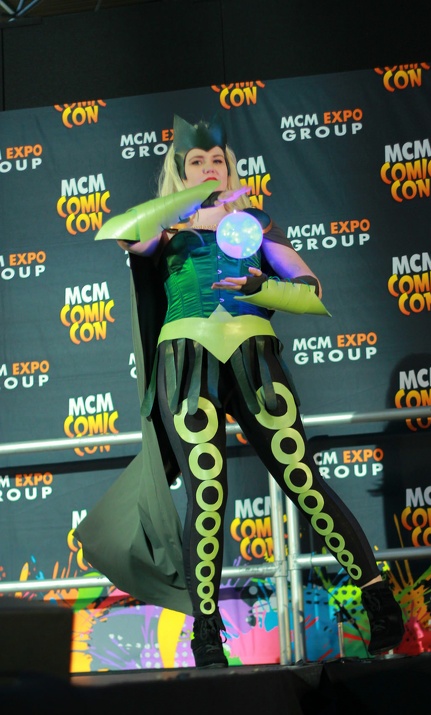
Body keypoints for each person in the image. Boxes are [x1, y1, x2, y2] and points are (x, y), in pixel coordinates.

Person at [75, 113, 404, 668]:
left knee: (302, 479)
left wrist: (262, 285)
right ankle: (206, 634)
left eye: (218, 161)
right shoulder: (165, 228)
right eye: (197, 161)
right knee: (206, 492)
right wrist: (188, 205)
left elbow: (311, 289)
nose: (210, 168)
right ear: (180, 172)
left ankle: (380, 602)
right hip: (186, 360)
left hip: (254, 357)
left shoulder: (255, 224)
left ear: (232, 168)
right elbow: (121, 233)